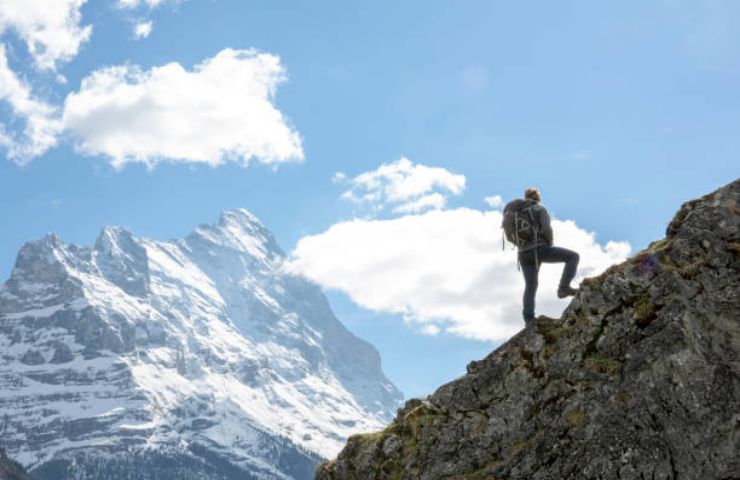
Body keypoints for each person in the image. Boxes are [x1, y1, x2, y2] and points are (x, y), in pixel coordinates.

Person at [503, 188, 579, 324]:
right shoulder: (539, 209)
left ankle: (529, 319)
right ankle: (563, 288)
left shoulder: (515, 212)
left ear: (525, 197)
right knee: (573, 257)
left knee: (530, 286)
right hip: (540, 249)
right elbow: (546, 228)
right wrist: (549, 243)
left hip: (523, 255)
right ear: (538, 198)